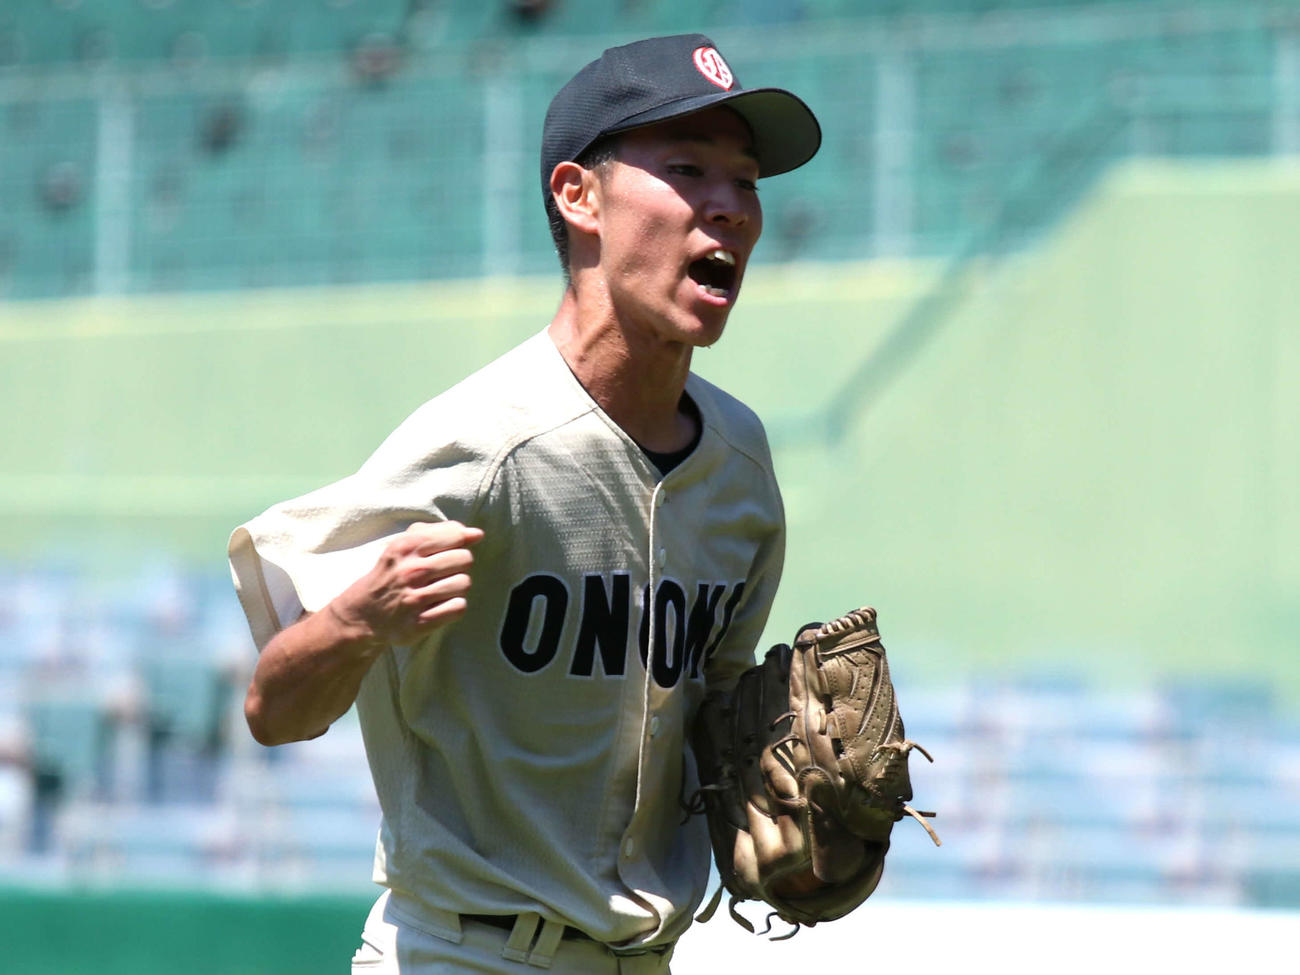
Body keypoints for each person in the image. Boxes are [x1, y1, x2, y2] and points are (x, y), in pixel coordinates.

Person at [228, 33, 821, 974]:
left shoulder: (742, 464)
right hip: (462, 954)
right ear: (578, 196)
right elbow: (275, 708)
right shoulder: (480, 444)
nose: (730, 209)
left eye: (745, 181)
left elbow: (714, 701)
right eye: (686, 170)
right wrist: (354, 621)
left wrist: (780, 795)